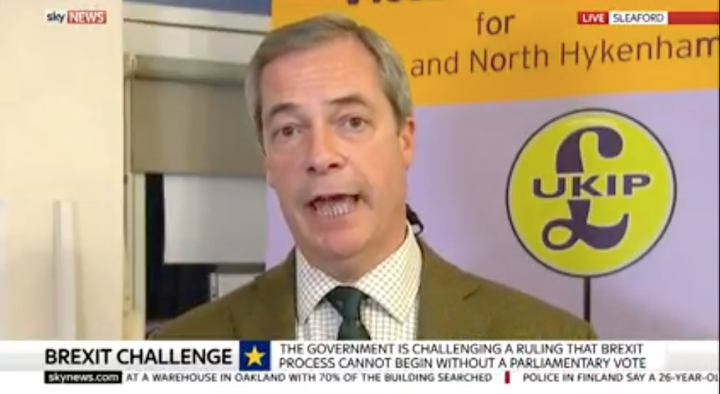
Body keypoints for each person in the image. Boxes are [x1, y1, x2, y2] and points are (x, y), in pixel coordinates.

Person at [151, 13, 596, 340]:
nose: (321, 155)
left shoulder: (550, 342)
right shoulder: (183, 351)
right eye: (289, 130)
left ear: (405, 140)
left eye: (352, 122)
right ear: (267, 161)